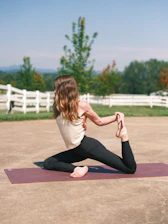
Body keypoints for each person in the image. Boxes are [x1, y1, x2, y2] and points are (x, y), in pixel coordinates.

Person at [44, 75, 136, 178]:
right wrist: (83, 121)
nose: (54, 91)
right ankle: (78, 169)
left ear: (65, 89)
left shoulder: (81, 105)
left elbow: (99, 121)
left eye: (56, 88)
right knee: (48, 162)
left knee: (130, 168)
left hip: (88, 147)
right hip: (76, 150)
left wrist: (116, 117)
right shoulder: (57, 107)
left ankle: (124, 136)